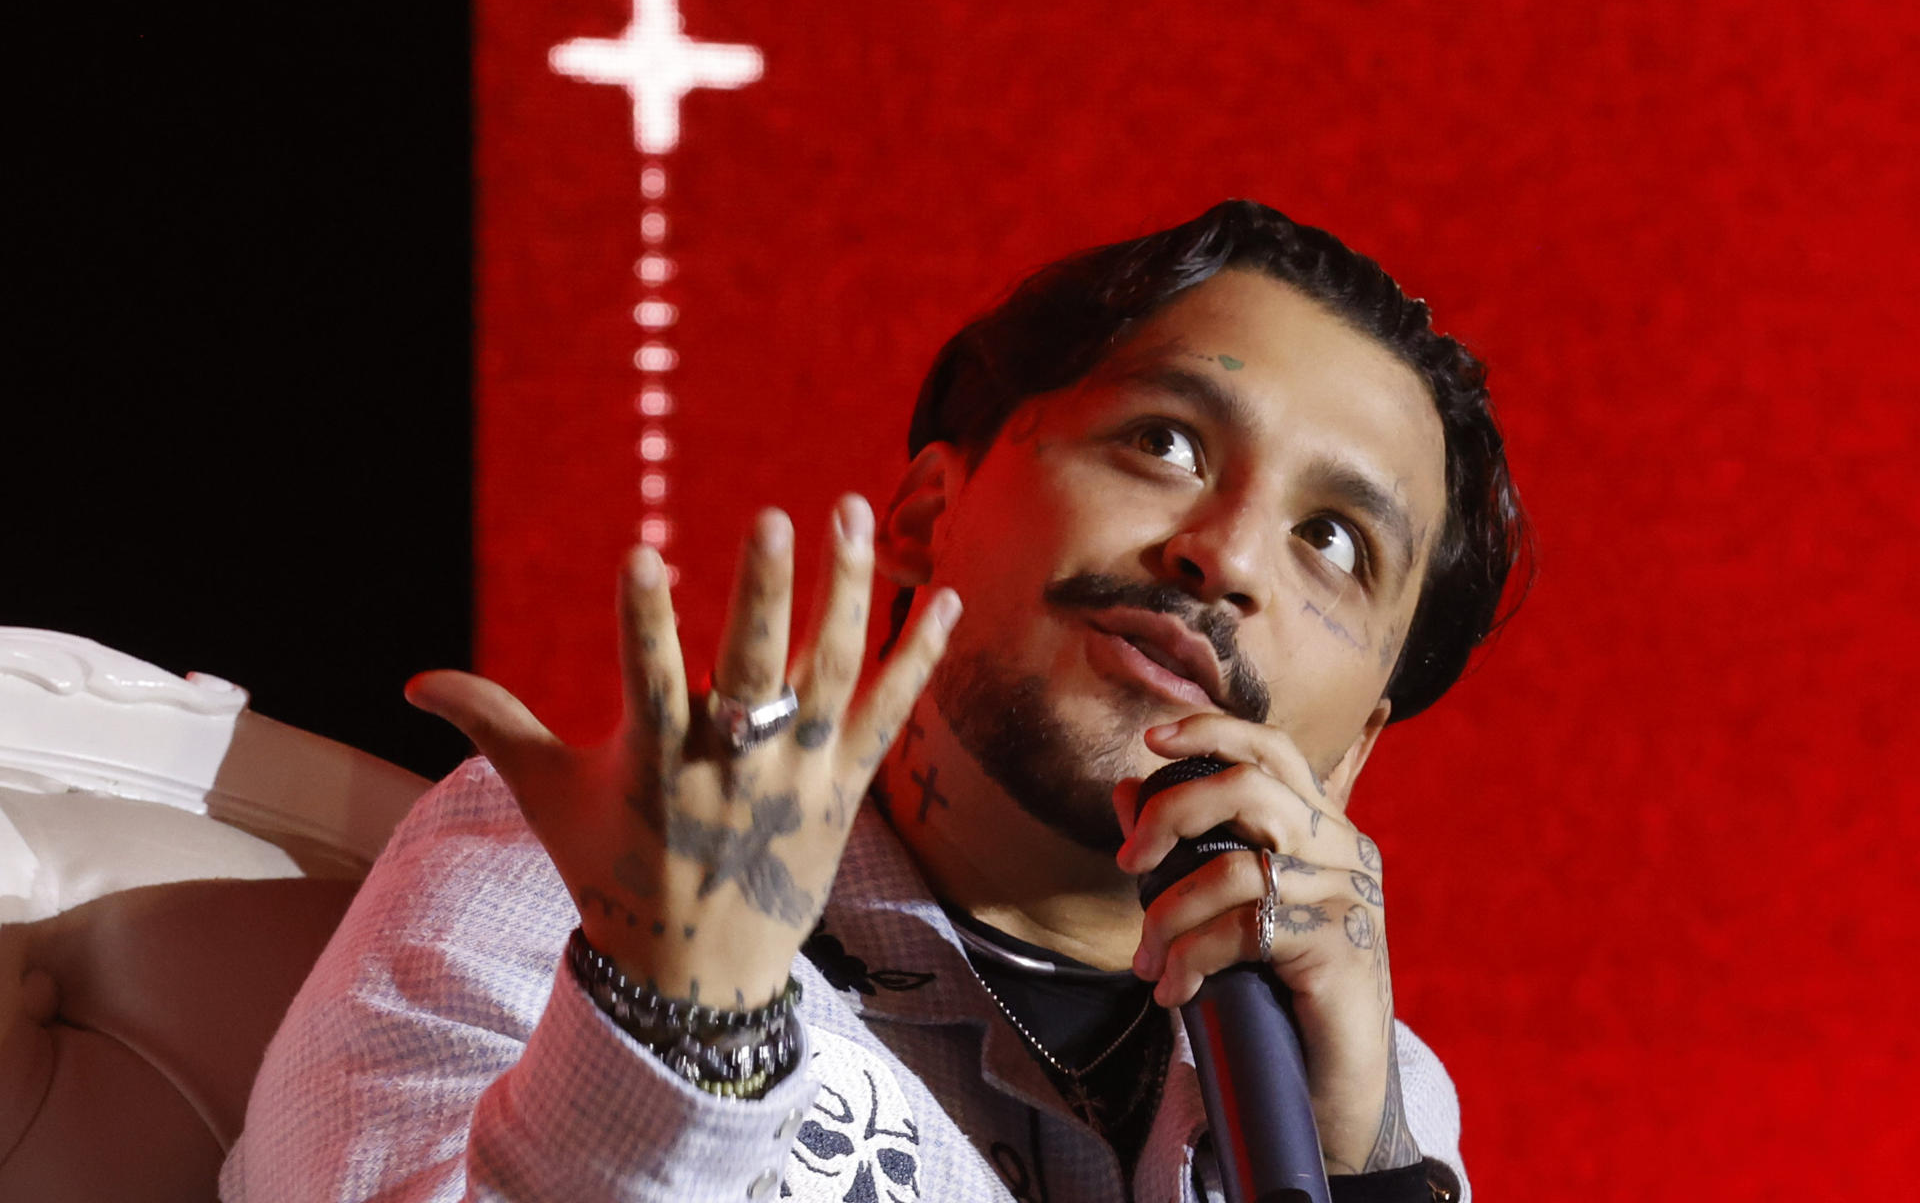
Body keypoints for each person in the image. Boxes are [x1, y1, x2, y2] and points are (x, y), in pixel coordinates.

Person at [223, 200, 1525, 1203]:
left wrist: (1360, 1168)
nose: (1226, 554)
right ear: (924, 517)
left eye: (1335, 541)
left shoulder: (1361, 1089)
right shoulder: (590, 882)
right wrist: (676, 1027)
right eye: (1164, 442)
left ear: (1355, 749)